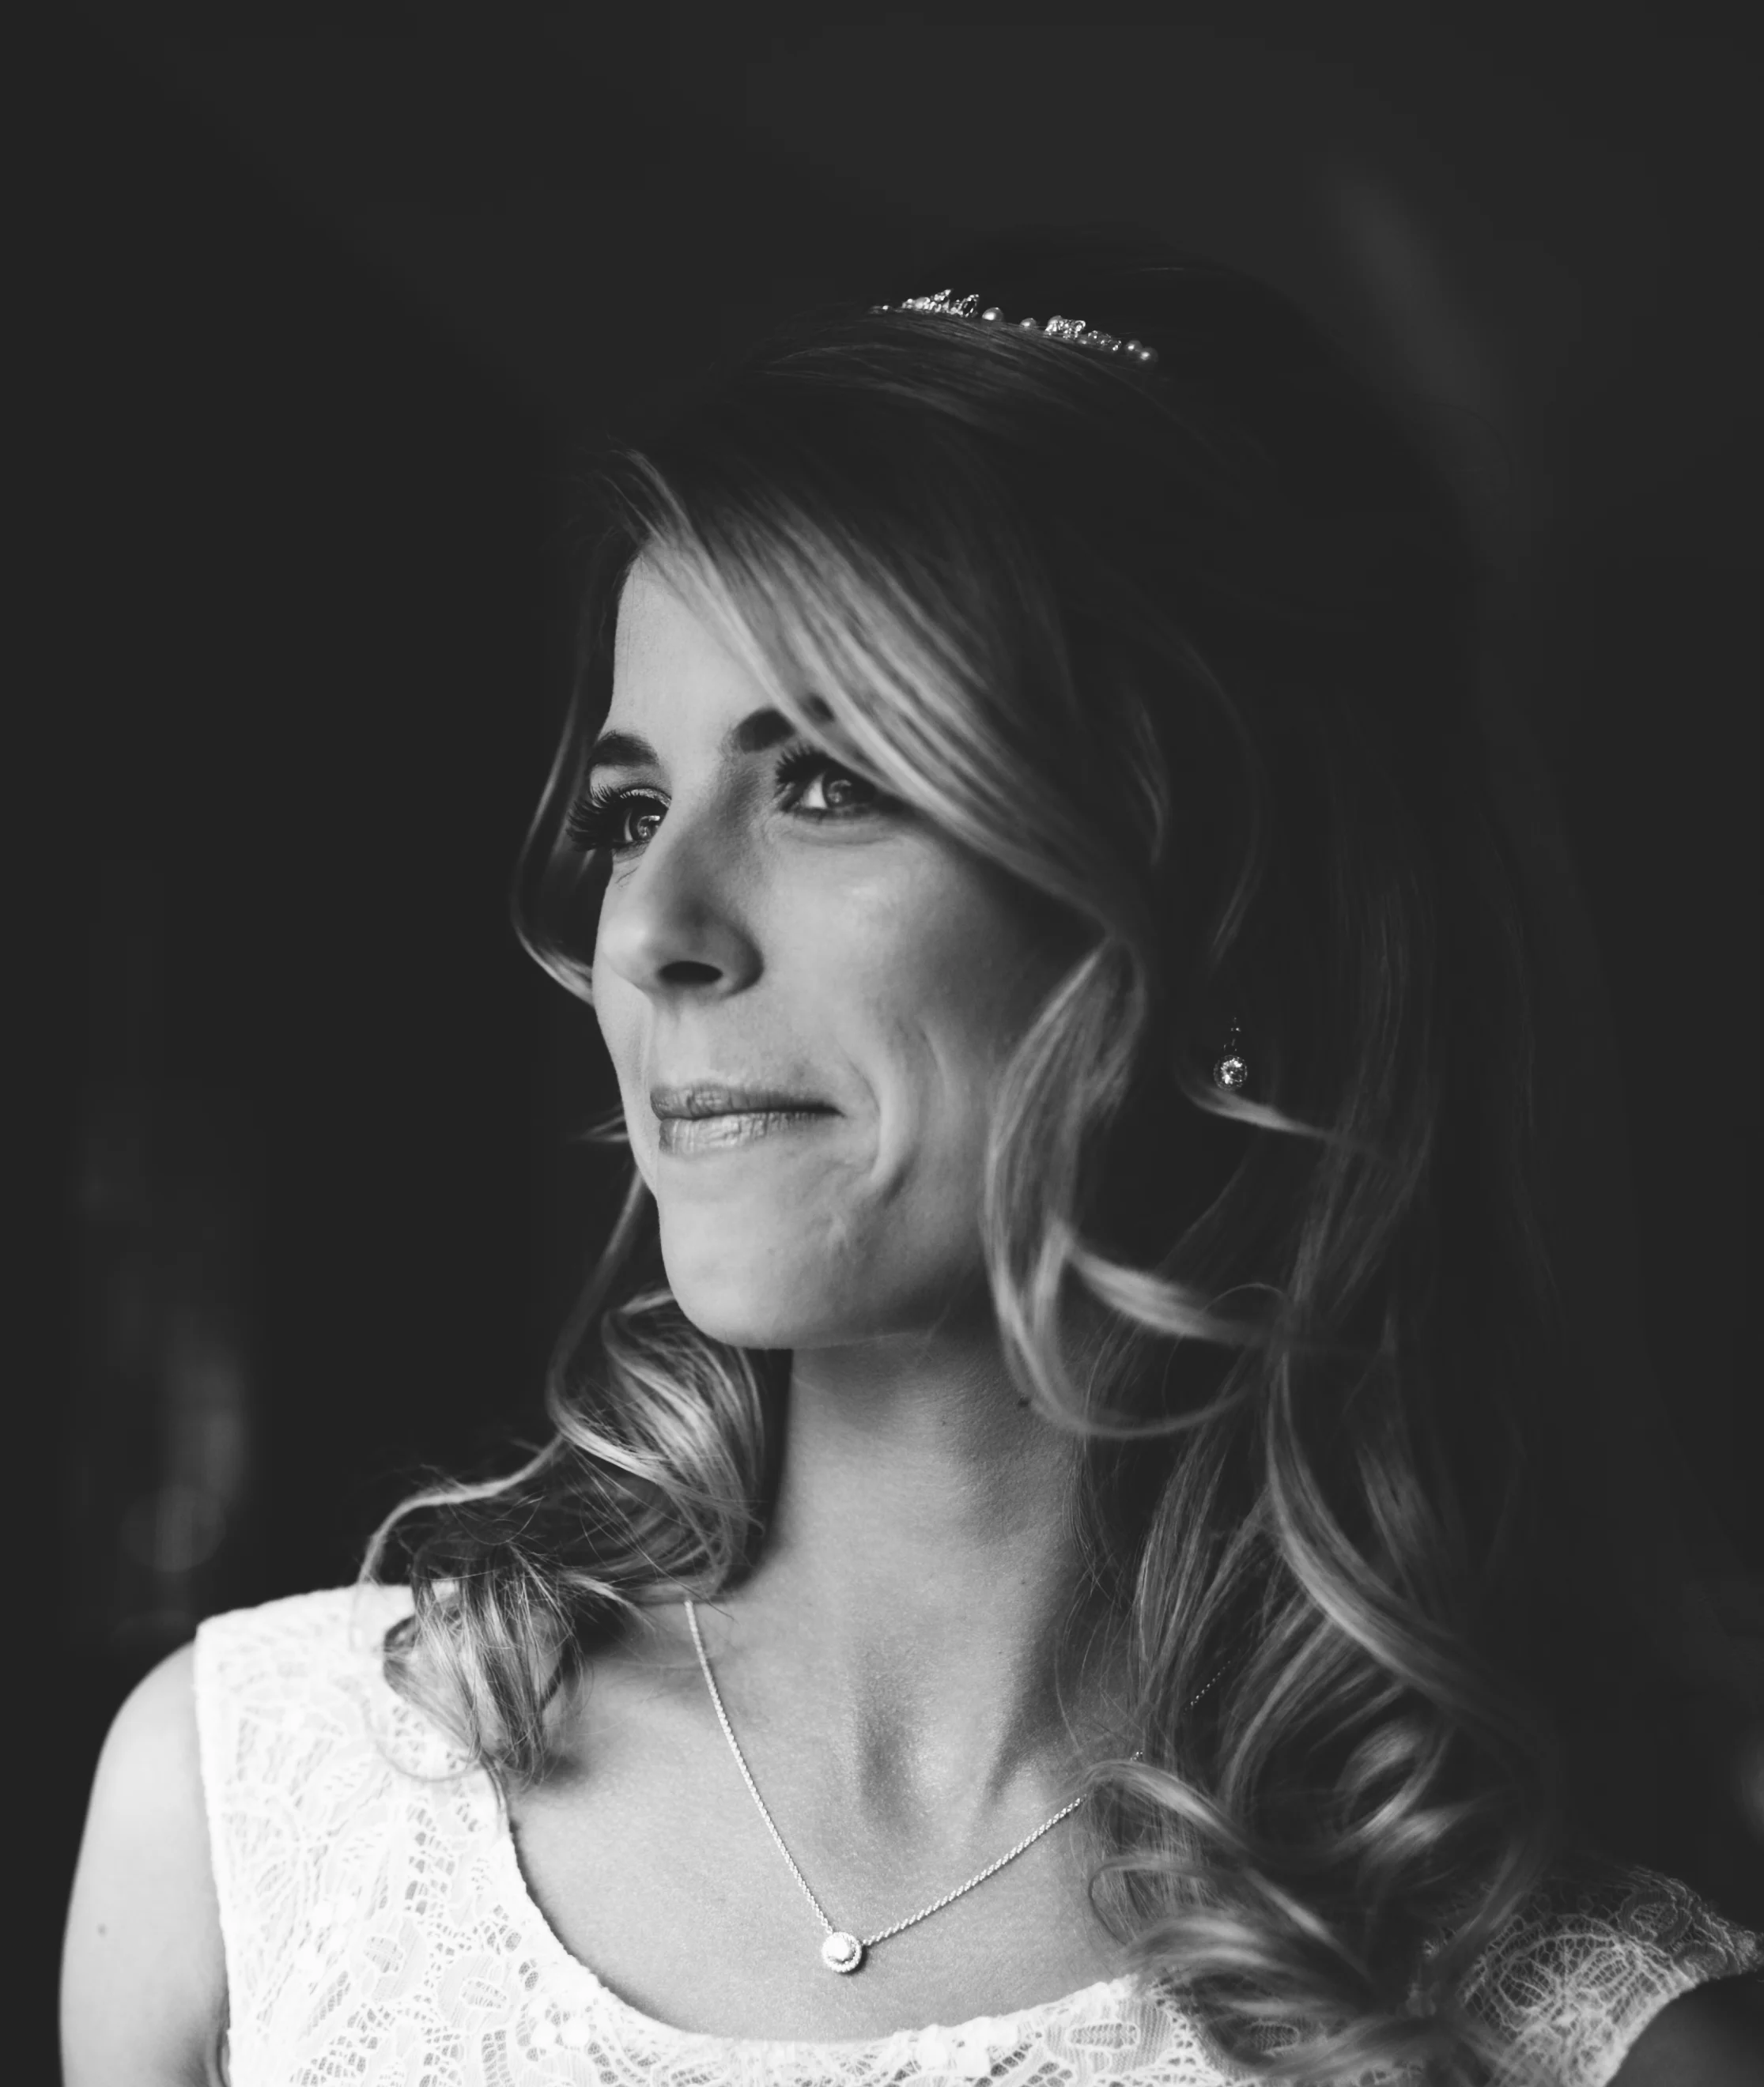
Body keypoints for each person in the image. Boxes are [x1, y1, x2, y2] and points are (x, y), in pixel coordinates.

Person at [61, 228, 1764, 2085]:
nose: (652, 930)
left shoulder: (1582, 2038)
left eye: (826, 780)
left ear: (1208, 914)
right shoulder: (257, 1812)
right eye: (632, 809)